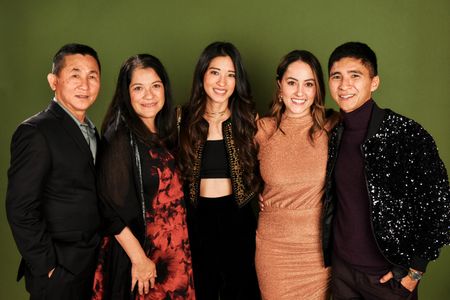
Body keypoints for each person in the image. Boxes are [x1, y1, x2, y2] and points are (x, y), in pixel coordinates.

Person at [322, 41, 450, 299]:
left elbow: (440, 204)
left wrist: (415, 271)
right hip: (342, 273)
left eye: (355, 76)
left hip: (389, 278)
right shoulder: (332, 133)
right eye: (337, 76)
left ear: (374, 82)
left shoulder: (406, 133)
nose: (344, 85)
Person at [91, 54, 195, 299]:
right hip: (144, 259)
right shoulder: (119, 137)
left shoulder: (167, 131)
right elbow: (108, 210)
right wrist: (139, 260)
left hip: (176, 253)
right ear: (127, 94)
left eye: (155, 86)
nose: (149, 95)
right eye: (138, 88)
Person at [6, 43, 102, 299]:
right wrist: (48, 268)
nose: (85, 84)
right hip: (59, 270)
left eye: (92, 76)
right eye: (75, 75)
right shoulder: (35, 132)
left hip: (92, 266)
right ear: (53, 81)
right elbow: (20, 208)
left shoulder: (93, 131)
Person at [178, 41, 261, 299]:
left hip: (238, 218)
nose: (222, 81)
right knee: (203, 288)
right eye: (215, 72)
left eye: (231, 74)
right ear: (202, 73)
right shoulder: (181, 119)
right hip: (195, 219)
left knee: (241, 289)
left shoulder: (249, 120)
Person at [255, 50, 336, 299]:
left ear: (317, 89)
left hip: (317, 253)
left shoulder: (332, 127)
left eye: (308, 84)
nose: (300, 93)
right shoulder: (262, 130)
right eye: (292, 83)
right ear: (280, 86)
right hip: (274, 251)